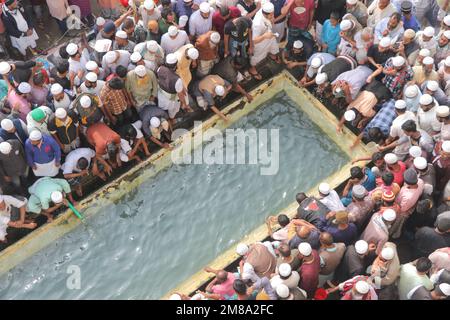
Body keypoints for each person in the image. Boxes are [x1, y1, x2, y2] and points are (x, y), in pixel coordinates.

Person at [156, 54, 192, 121]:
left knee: (163, 107)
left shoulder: (160, 69)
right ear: (176, 64)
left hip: (161, 95)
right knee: (172, 111)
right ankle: (171, 119)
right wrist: (185, 104)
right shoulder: (177, 80)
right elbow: (181, 96)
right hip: (170, 100)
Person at [249, 3, 280, 79]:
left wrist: (271, 20)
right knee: (257, 57)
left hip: (268, 35)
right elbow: (254, 40)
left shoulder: (264, 10)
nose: (273, 15)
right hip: (260, 41)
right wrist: (264, 36)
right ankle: (252, 68)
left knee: (273, 46)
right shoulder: (257, 24)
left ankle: (272, 55)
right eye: (271, 14)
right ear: (266, 14)